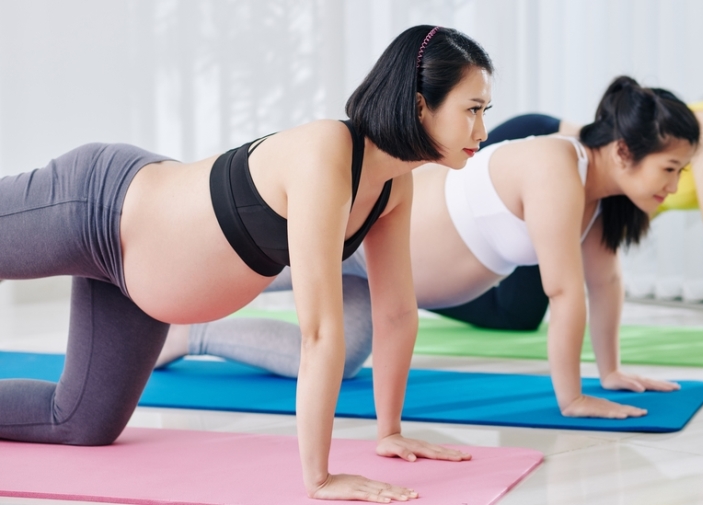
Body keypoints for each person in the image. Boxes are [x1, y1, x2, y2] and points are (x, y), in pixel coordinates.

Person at [0, 25, 493, 503]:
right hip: (96, 206)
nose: (482, 130)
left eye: (485, 111)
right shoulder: (327, 151)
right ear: (419, 103)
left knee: (82, 423)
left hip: (133, 279)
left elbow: (396, 313)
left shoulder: (393, 187)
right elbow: (319, 332)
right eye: (472, 110)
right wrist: (318, 477)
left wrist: (390, 432)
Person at [160, 76, 700, 419]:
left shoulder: (599, 202)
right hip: (355, 236)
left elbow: (603, 284)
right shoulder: (556, 166)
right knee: (218, 270)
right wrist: (572, 398)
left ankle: (189, 333)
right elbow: (563, 291)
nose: (673, 187)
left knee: (341, 360)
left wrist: (610, 372)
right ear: (625, 150)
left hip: (388, 278)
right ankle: (152, 281)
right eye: (670, 169)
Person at [429, 27, 703, 359]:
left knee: (520, 313)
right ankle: (415, 286)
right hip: (541, 146)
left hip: (572, 176)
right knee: (522, 301)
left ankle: (416, 290)